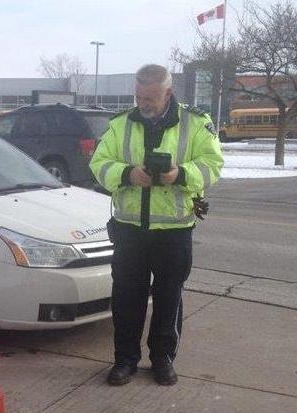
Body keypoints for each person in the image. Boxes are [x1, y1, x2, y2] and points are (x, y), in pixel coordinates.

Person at [90, 64, 223, 387]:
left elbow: (213, 165)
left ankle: (162, 359)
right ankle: (125, 360)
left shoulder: (196, 123)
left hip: (174, 231)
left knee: (168, 297)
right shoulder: (120, 124)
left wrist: (181, 175)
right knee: (126, 298)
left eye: (150, 97)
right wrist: (126, 174)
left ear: (168, 92)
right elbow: (98, 163)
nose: (143, 103)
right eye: (139, 96)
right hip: (129, 230)